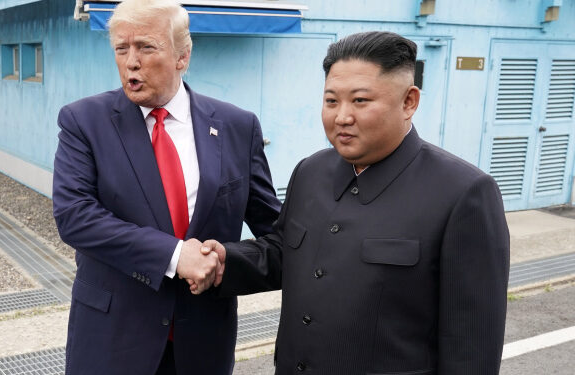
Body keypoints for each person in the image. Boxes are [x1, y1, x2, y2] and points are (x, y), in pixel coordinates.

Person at [196, 31, 510, 374]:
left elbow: (471, 350)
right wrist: (226, 261)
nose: (342, 116)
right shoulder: (310, 171)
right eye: (331, 101)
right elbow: (286, 254)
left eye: (360, 101)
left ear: (409, 102)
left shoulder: (464, 194)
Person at [52, 0, 281, 373]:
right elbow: (75, 217)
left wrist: (225, 262)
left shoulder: (238, 126)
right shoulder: (83, 121)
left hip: (203, 344)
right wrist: (175, 256)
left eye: (145, 47)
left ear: (182, 56)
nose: (131, 62)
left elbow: (275, 233)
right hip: (113, 341)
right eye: (121, 49)